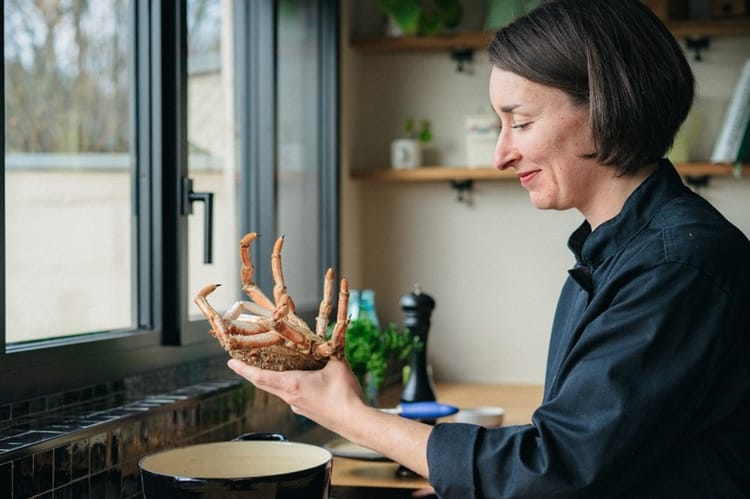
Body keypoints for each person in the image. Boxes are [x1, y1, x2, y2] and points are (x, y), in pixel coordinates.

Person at [228, 0, 750, 497]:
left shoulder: (676, 266)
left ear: (606, 107)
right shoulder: (618, 253)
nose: (501, 153)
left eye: (520, 122)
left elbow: (554, 470)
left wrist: (348, 415)